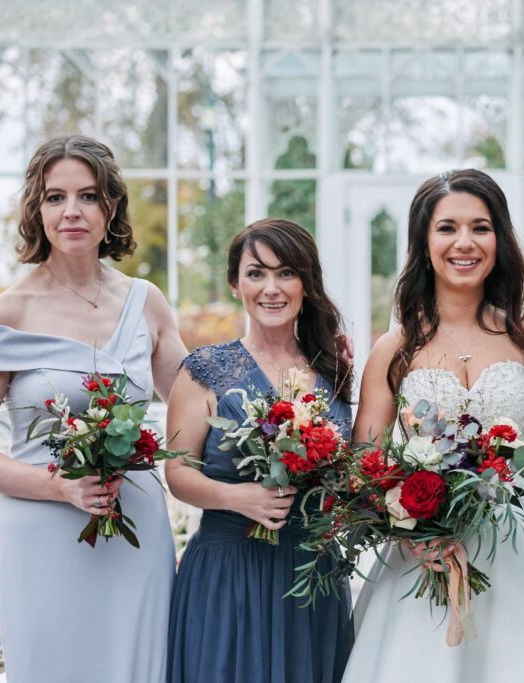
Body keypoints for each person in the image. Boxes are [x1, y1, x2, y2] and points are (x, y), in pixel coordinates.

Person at [0, 135, 187, 682]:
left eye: (88, 195)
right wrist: (58, 486)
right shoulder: (8, 311)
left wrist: (300, 352)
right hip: (41, 533)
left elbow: (199, 401)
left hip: (134, 527)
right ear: (38, 210)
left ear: (111, 208)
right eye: (55, 197)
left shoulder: (146, 302)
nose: (71, 211)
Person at [345, 169, 524, 682]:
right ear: (423, 242)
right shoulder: (395, 349)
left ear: (499, 239)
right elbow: (363, 465)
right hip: (425, 555)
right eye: (447, 228)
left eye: (480, 227)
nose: (464, 243)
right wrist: (412, 534)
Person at [165, 219, 354, 683]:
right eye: (256, 273)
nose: (272, 288)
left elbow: (352, 467)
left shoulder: (334, 369)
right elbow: (177, 473)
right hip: (229, 570)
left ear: (306, 284)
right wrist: (238, 497)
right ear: (235, 284)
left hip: (312, 572)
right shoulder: (203, 370)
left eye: (286, 272)